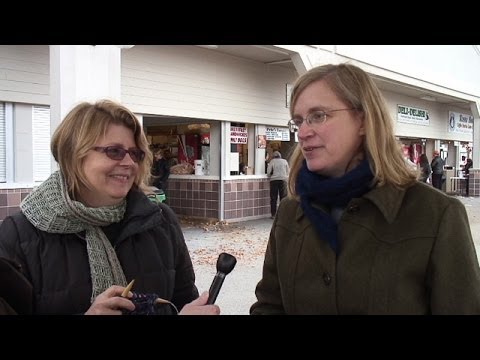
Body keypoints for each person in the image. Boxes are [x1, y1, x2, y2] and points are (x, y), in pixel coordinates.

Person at [250, 63, 480, 314]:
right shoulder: (289, 213)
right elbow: (270, 306)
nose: (303, 132)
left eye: (318, 116)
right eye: (298, 121)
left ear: (362, 120)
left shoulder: (436, 214)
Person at [0, 99, 220, 315]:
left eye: (135, 154)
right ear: (74, 155)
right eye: (114, 151)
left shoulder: (161, 221)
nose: (129, 163)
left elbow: (181, 301)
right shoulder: (18, 235)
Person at [267, 151, 289, 219]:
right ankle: (283, 214)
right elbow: (288, 171)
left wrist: (269, 176)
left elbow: (268, 172)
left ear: (273, 156)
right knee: (283, 198)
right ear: (280, 156)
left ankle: (273, 214)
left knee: (273, 198)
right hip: (283, 180)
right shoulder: (285, 161)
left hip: (274, 180)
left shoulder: (272, 161)